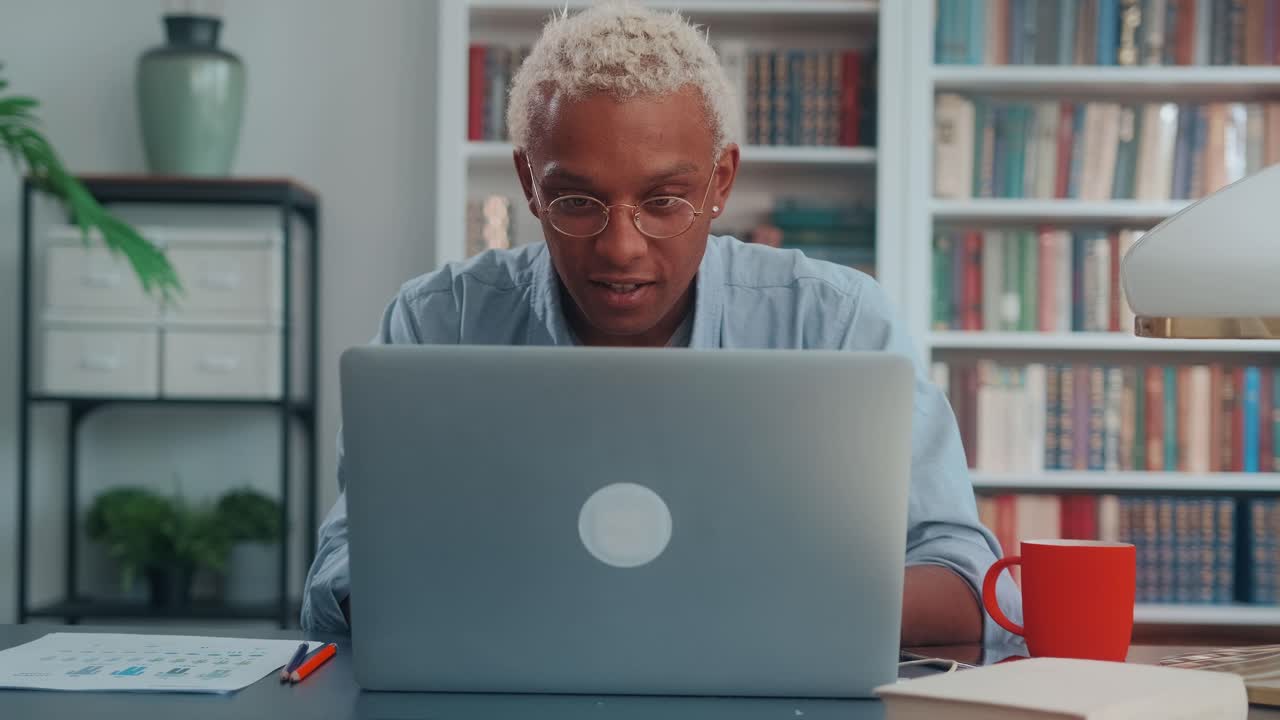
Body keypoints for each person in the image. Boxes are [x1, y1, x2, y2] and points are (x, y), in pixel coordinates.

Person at [302, 2, 1022, 647]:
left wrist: (717, 600)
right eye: (577, 201)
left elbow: (969, 586)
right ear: (528, 182)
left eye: (665, 199)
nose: (621, 246)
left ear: (721, 182)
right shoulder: (438, 323)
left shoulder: (835, 322)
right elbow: (341, 580)